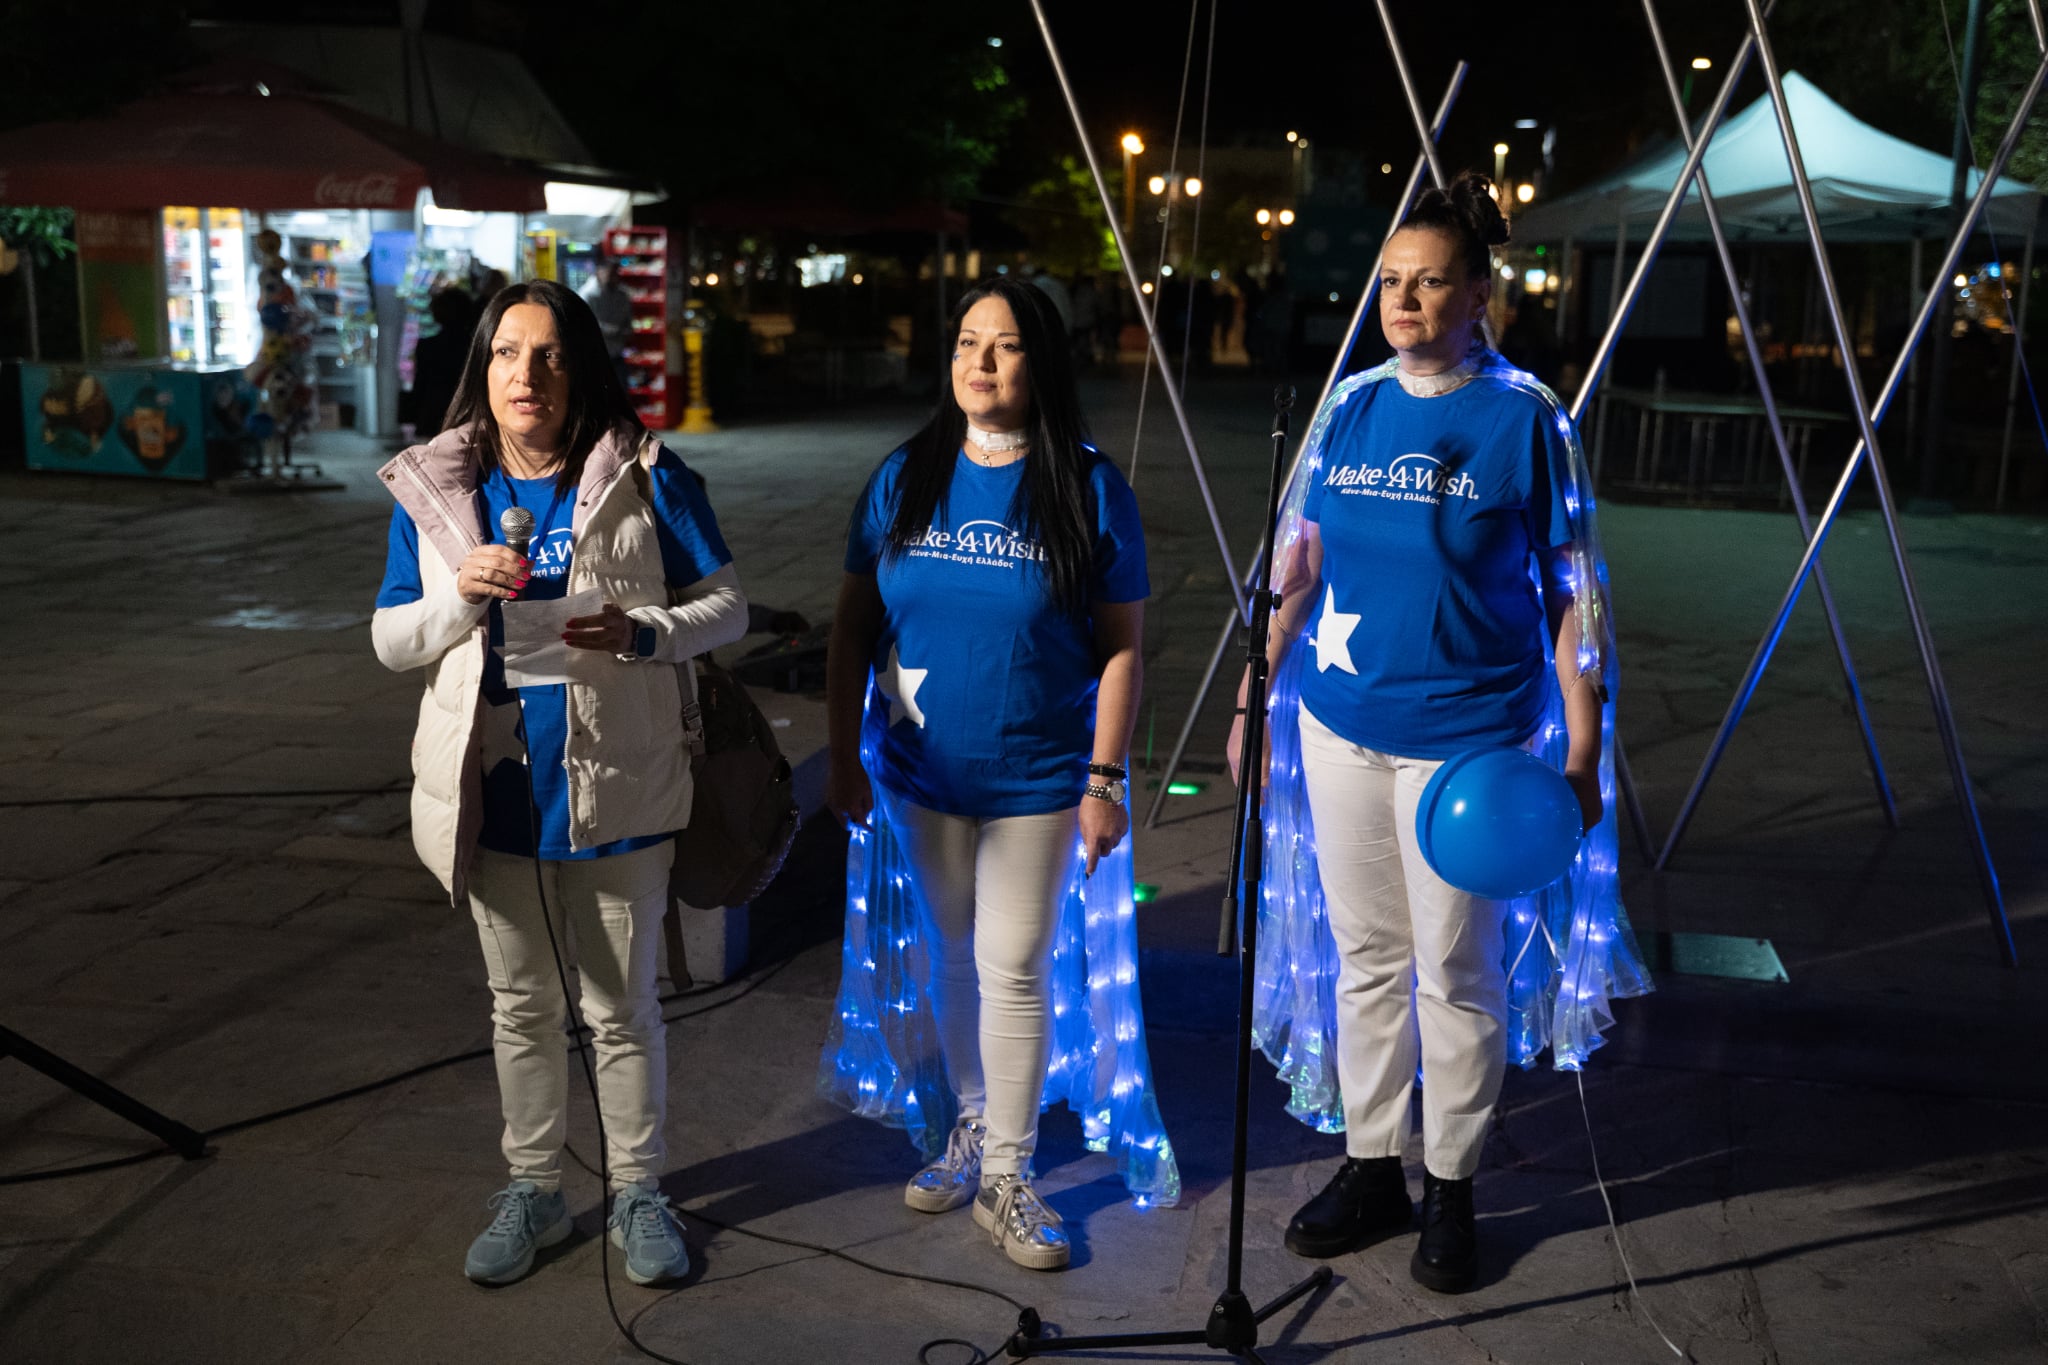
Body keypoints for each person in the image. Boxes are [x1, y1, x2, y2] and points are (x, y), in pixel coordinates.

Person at [1230, 172, 1641, 1293]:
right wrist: (1252, 699)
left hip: (1468, 750)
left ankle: (1452, 1184)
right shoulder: (1349, 407)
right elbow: (1298, 566)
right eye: (1390, 282)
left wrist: (1581, 748)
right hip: (1341, 725)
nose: (1403, 302)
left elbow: (1574, 594)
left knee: (1454, 969)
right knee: (1365, 957)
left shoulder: (1523, 419)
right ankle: (1373, 1167)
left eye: (1429, 283)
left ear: (1478, 297)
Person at [371, 279, 748, 1288]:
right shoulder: (436, 488)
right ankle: (534, 1187)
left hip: (619, 792)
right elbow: (391, 639)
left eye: (547, 354)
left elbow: (726, 607)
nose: (525, 374)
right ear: (482, 368)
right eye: (506, 353)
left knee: (621, 1010)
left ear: (579, 366)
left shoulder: (646, 474)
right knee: (520, 1007)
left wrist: (643, 631)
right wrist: (458, 597)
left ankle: (638, 1190)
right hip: (495, 798)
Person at [823, 278, 1153, 1271]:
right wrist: (841, 753)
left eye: (1004, 346)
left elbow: (1123, 648)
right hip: (919, 773)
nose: (980, 362)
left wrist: (1104, 780)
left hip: (1037, 778)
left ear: (1040, 362)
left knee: (1013, 964)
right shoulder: (904, 475)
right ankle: (970, 1123)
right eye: (968, 342)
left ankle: (1009, 1173)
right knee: (952, 957)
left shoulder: (1088, 487)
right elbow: (850, 627)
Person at [405, 287, 473, 439]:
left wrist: (414, 413)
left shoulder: (427, 346)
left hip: (432, 410)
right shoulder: (474, 346)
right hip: (465, 411)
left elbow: (420, 383)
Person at [580, 255, 635, 388]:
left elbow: (628, 321)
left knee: (620, 393)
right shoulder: (587, 294)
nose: (614, 277)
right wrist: (613, 330)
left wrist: (626, 331)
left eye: (616, 273)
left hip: (616, 355)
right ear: (599, 272)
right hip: (594, 358)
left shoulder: (622, 294)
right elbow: (584, 324)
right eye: (610, 273)